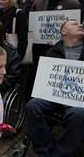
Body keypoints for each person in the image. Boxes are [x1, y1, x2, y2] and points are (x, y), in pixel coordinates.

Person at [25, 19, 84, 157]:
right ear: (63, 31)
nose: (80, 25)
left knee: (77, 114)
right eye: (75, 24)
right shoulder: (52, 52)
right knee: (32, 106)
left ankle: (59, 153)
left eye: (80, 24)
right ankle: (44, 150)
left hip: (79, 99)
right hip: (55, 96)